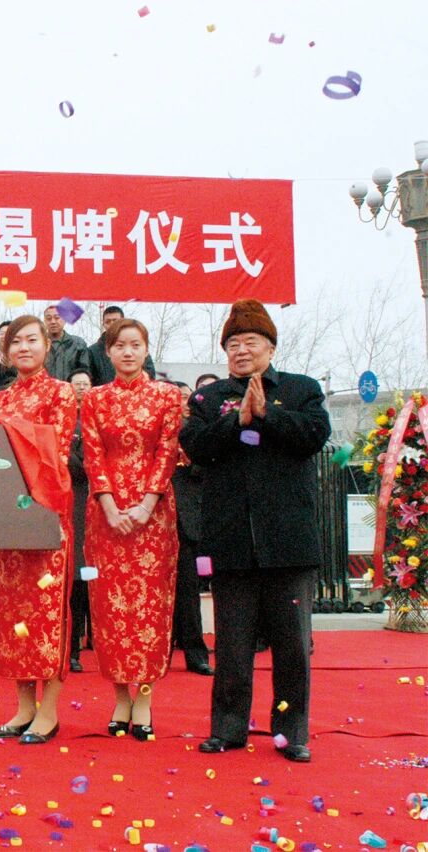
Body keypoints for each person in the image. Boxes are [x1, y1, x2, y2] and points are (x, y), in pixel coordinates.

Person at [180, 299, 330, 763]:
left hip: (289, 541)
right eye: (233, 344)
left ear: (270, 348)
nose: (241, 351)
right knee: (232, 643)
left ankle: (291, 732)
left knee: (292, 646)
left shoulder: (302, 390)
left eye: (250, 342)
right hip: (231, 541)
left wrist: (269, 415)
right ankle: (228, 729)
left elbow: (315, 436)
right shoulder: (208, 399)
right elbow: (196, 446)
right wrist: (238, 421)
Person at [0, 315, 77, 745]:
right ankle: (23, 708)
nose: (23, 348)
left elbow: (56, 449)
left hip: (46, 513)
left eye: (31, 340)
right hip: (8, 521)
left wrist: (7, 433)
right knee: (14, 616)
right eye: (15, 342)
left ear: (46, 346)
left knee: (48, 612)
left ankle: (49, 712)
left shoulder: (61, 392)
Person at [81, 319, 183, 741]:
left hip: (153, 514)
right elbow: (92, 454)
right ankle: (120, 697)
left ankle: (143, 698)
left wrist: (146, 504)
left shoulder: (167, 396)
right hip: (105, 516)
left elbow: (167, 450)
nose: (127, 352)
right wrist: (108, 504)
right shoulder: (94, 398)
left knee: (149, 607)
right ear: (108, 352)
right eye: (120, 345)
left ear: (146, 349)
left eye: (135, 345)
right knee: (110, 608)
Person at [171, 382, 214, 676]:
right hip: (151, 519)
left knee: (188, 592)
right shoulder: (153, 431)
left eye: (184, 397)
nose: (180, 403)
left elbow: (207, 468)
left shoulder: (195, 433)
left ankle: (195, 654)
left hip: (187, 522)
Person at [67, 367, 94, 672]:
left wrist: (61, 450)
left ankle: (73, 650)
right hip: (49, 510)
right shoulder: (49, 425)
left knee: (78, 585)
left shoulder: (85, 427)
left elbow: (87, 467)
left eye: (85, 384)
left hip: (79, 511)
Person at [88, 306, 156, 386]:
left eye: (115, 321)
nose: (112, 324)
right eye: (108, 322)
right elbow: (89, 378)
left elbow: (150, 373)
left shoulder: (138, 348)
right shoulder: (93, 351)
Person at [43, 304, 91, 382]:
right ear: (44, 321)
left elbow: (85, 374)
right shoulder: (38, 345)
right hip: (44, 388)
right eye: (49, 318)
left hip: (70, 388)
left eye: (57, 317)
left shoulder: (78, 344)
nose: (53, 322)